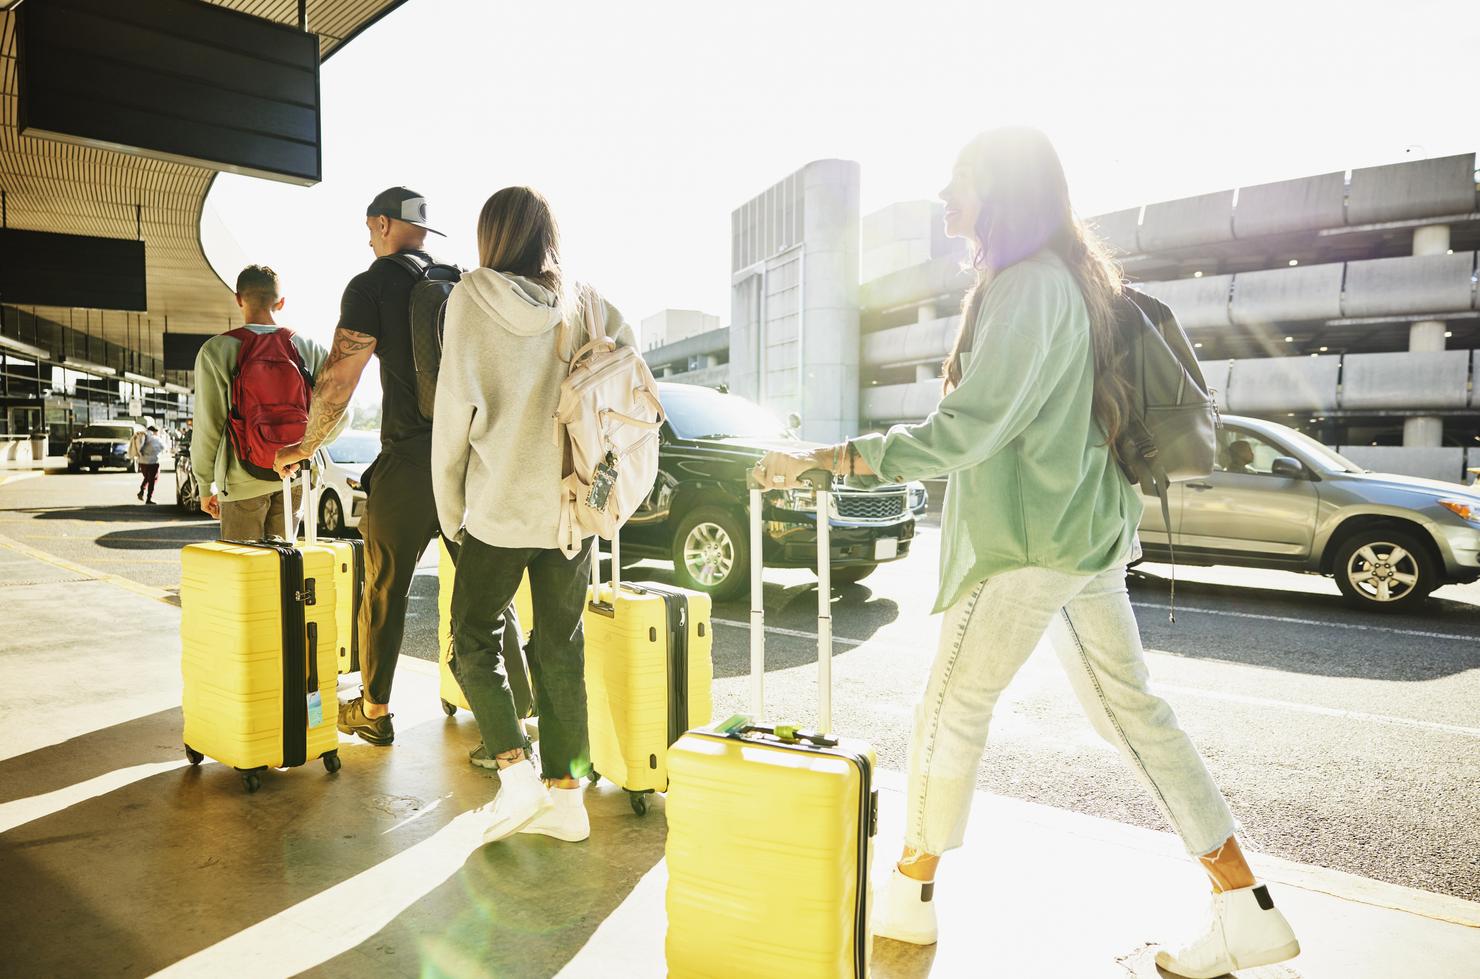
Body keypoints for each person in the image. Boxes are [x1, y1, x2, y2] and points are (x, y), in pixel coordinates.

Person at [756, 128, 1300, 979]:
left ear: (1000, 195)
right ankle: (1245, 904)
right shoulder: (1077, 283)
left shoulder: (1027, 287)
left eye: (959, 183)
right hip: (1084, 536)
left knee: (950, 708)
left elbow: (970, 429)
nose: (945, 198)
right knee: (1134, 715)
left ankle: (908, 897)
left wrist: (835, 457)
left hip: (1028, 543)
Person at [432, 186, 635, 844]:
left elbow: (453, 421)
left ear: (491, 237)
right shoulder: (586, 304)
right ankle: (567, 801)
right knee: (559, 649)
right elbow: (628, 378)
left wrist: (451, 513)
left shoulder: (468, 298)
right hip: (570, 510)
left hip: (496, 511)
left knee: (471, 640)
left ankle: (517, 779)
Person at [273, 187, 451, 748]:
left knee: (384, 588)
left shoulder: (370, 285)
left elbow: (338, 384)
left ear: (379, 224)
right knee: (481, 594)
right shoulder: (459, 280)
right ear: (423, 233)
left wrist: (304, 446)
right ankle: (513, 715)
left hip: (410, 459)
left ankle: (374, 710)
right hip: (468, 461)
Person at [192, 266, 334, 541]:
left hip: (240, 480)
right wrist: (305, 451)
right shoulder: (309, 348)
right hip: (294, 477)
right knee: (285, 572)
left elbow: (208, 426)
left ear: (238, 298)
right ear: (280, 303)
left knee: (245, 575)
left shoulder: (217, 350)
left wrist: (204, 484)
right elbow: (340, 415)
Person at [135, 426, 165, 504]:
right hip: (153, 462)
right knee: (152, 480)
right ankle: (149, 498)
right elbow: (163, 447)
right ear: (155, 431)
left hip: (142, 462)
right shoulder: (156, 439)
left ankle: (142, 490)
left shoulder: (142, 437)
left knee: (147, 477)